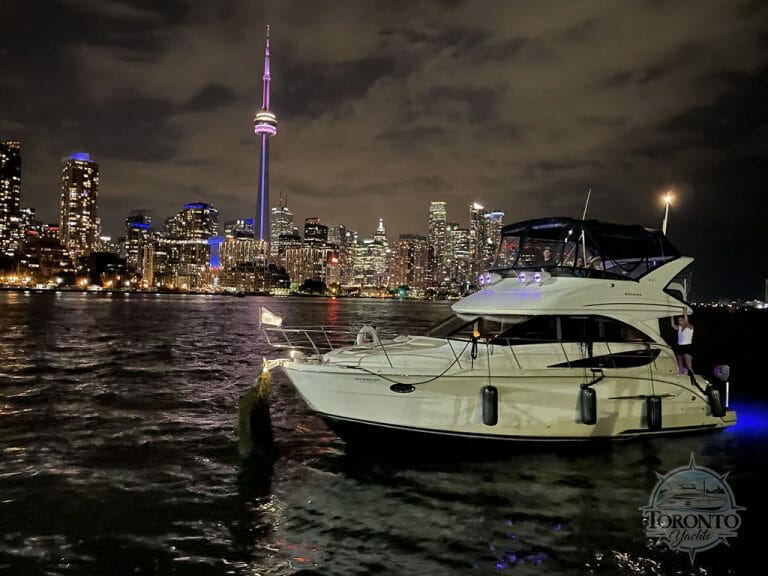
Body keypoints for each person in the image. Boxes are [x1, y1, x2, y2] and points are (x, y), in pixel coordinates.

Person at [671, 310, 694, 375]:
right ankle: (682, 375)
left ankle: (693, 377)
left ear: (684, 320)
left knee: (689, 365)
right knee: (680, 364)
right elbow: (673, 325)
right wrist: (671, 315)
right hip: (680, 347)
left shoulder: (690, 327)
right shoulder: (680, 328)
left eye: (681, 320)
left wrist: (685, 313)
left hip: (687, 347)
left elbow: (687, 322)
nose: (679, 321)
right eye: (678, 320)